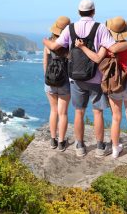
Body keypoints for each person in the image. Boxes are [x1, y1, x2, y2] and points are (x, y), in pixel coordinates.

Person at [43, 0, 127, 157]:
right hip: (96, 78)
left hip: (75, 78)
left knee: (79, 112)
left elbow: (53, 47)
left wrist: (44, 40)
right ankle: (100, 147)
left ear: (79, 12)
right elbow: (113, 47)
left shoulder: (70, 29)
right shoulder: (100, 28)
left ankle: (80, 146)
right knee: (98, 112)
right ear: (94, 11)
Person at [75, 16, 127, 158]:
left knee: (116, 118)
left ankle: (116, 149)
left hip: (113, 83)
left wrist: (82, 47)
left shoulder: (106, 47)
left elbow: (98, 59)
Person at [43, 16, 71, 152]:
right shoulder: (68, 45)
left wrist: (48, 78)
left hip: (50, 82)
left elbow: (45, 63)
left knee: (53, 111)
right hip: (65, 82)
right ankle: (61, 143)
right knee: (63, 113)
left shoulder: (48, 43)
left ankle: (53, 140)